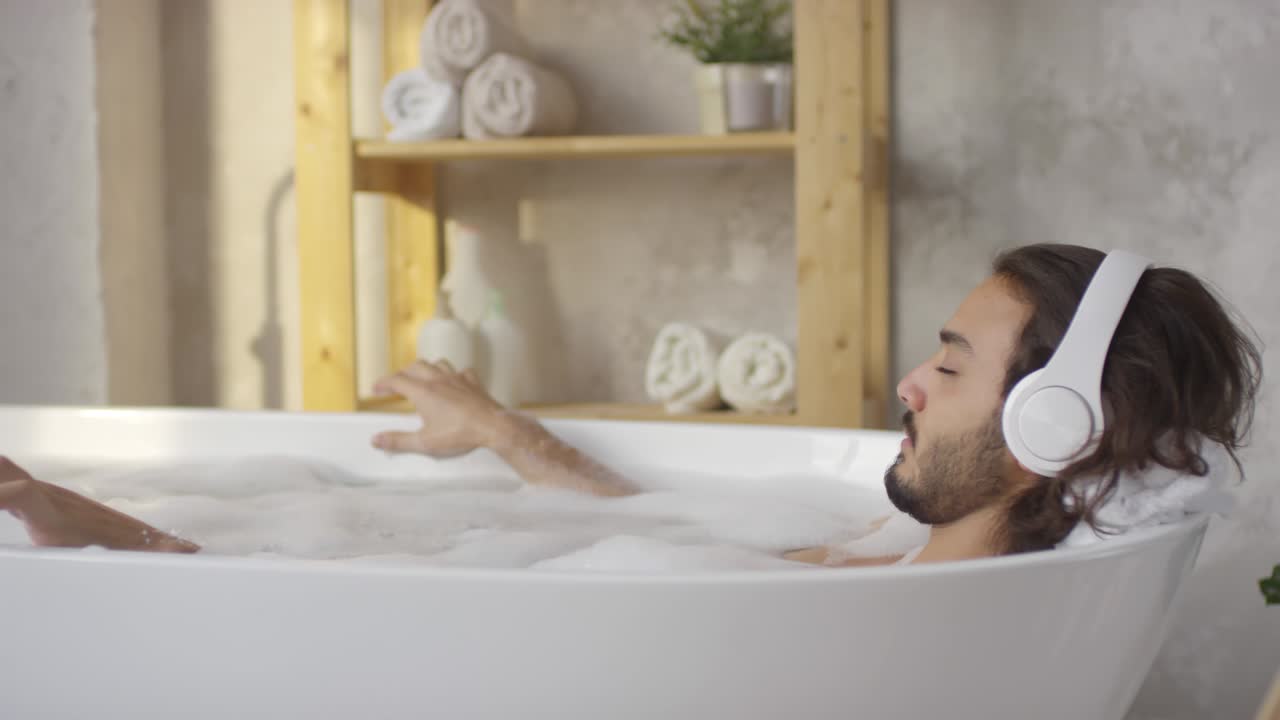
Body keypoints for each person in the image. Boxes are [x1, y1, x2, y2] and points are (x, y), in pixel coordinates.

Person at [0, 244, 1263, 565]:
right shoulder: (887, 556)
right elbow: (665, 523)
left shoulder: (923, 599)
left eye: (948, 364)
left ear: (1051, 431)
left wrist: (124, 536)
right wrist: (505, 436)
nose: (905, 384)